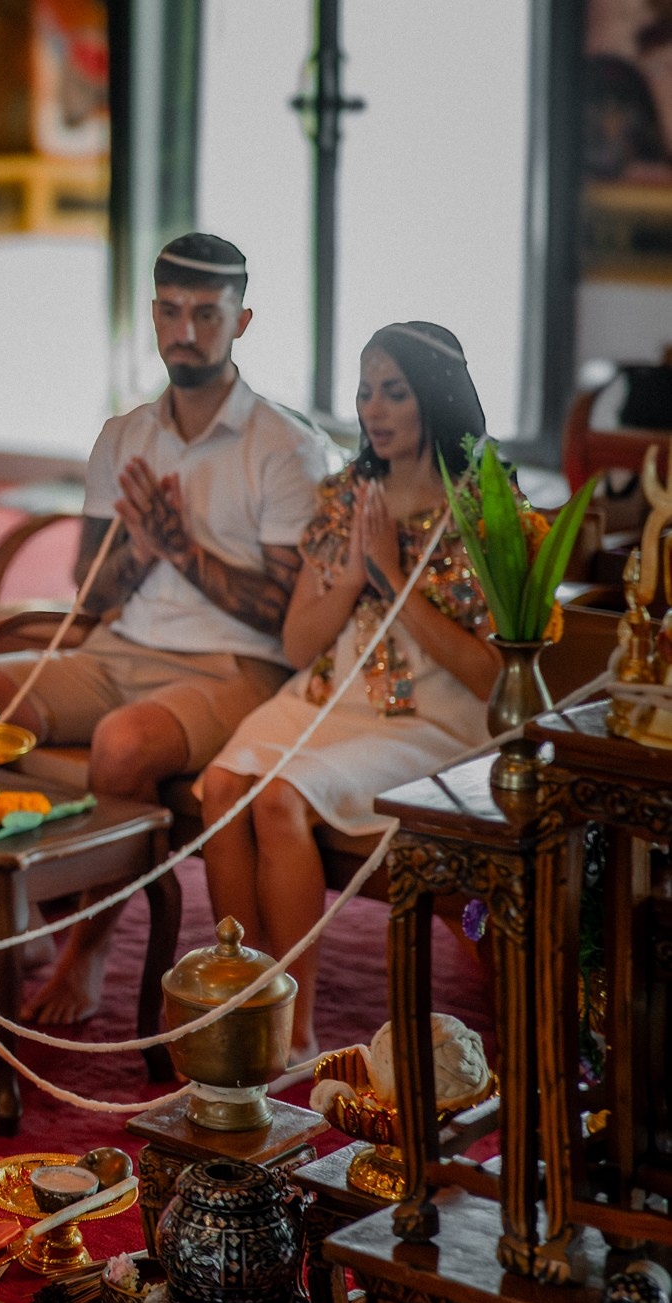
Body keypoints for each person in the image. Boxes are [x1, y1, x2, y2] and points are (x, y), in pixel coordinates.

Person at [0, 233, 332, 1024]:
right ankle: (18, 924)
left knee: (124, 745)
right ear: (152, 315)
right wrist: (137, 553)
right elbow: (89, 588)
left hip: (233, 667)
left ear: (242, 321)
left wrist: (183, 548)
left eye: (207, 314)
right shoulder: (124, 436)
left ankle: (88, 953)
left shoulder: (286, 448)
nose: (187, 330)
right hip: (116, 650)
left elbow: (285, 613)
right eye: (171, 311)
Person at [199, 324, 497, 1059]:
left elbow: (494, 675)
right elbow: (300, 645)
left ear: (435, 396)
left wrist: (395, 576)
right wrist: (359, 570)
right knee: (220, 785)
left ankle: (293, 1030)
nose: (374, 409)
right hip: (328, 697)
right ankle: (241, 1001)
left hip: (431, 721)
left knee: (277, 797)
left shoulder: (485, 508)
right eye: (366, 392)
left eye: (394, 391)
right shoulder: (346, 495)